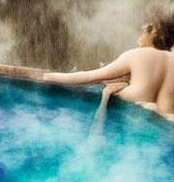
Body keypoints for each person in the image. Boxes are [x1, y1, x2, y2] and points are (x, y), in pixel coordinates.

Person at [42, 17, 174, 120]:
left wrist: (50, 77)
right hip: (165, 123)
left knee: (111, 92)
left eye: (145, 31)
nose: (140, 37)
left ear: (154, 33)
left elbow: (89, 77)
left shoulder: (135, 55)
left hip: (135, 117)